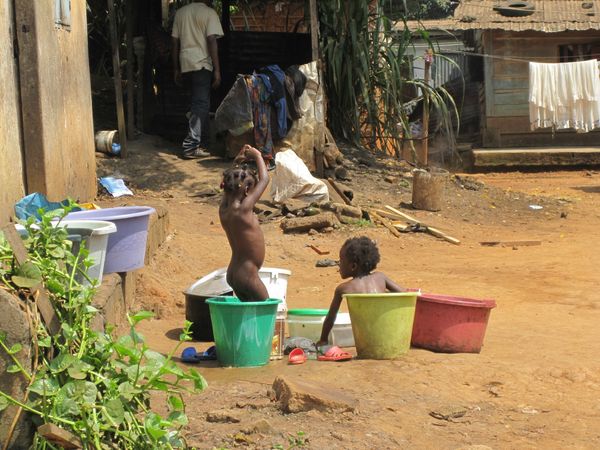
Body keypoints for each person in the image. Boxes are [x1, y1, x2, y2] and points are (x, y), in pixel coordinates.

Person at [317, 236, 406, 346]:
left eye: (341, 260)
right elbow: (404, 293)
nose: (339, 264)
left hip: (364, 342)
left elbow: (331, 317)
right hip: (387, 336)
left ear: (353, 266)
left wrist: (323, 340)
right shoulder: (380, 277)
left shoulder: (343, 289)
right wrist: (385, 295)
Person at [171, 0, 223, 159]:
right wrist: (217, 70)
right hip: (201, 64)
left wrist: (176, 68)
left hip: (186, 64)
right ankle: (191, 146)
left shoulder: (181, 13)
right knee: (200, 104)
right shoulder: (209, 13)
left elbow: (174, 42)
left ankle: (203, 143)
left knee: (198, 104)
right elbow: (211, 39)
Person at [219, 145, 270, 301]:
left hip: (233, 273)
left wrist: (237, 162)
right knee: (266, 313)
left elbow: (229, 180)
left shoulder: (223, 209)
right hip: (247, 275)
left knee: (248, 316)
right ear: (248, 190)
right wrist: (258, 156)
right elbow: (265, 179)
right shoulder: (244, 209)